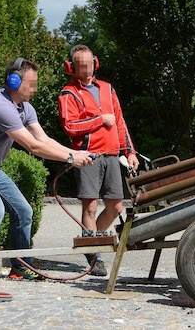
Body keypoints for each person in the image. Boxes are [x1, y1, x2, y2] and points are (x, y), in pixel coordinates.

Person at [0, 57, 95, 289]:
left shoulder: (24, 108)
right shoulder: (0, 107)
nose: (35, 88)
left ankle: (20, 267)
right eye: (32, 83)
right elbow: (33, 147)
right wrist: (70, 158)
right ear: (14, 81)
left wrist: (76, 153)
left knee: (23, 211)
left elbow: (43, 139)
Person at [58, 45, 139, 276]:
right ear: (71, 67)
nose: (86, 70)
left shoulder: (107, 88)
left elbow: (120, 121)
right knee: (91, 206)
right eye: (81, 66)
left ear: (96, 63)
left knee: (116, 206)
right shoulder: (68, 94)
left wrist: (129, 151)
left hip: (113, 154)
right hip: (88, 157)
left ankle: (90, 239)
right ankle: (94, 252)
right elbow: (70, 127)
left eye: (89, 64)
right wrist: (99, 120)